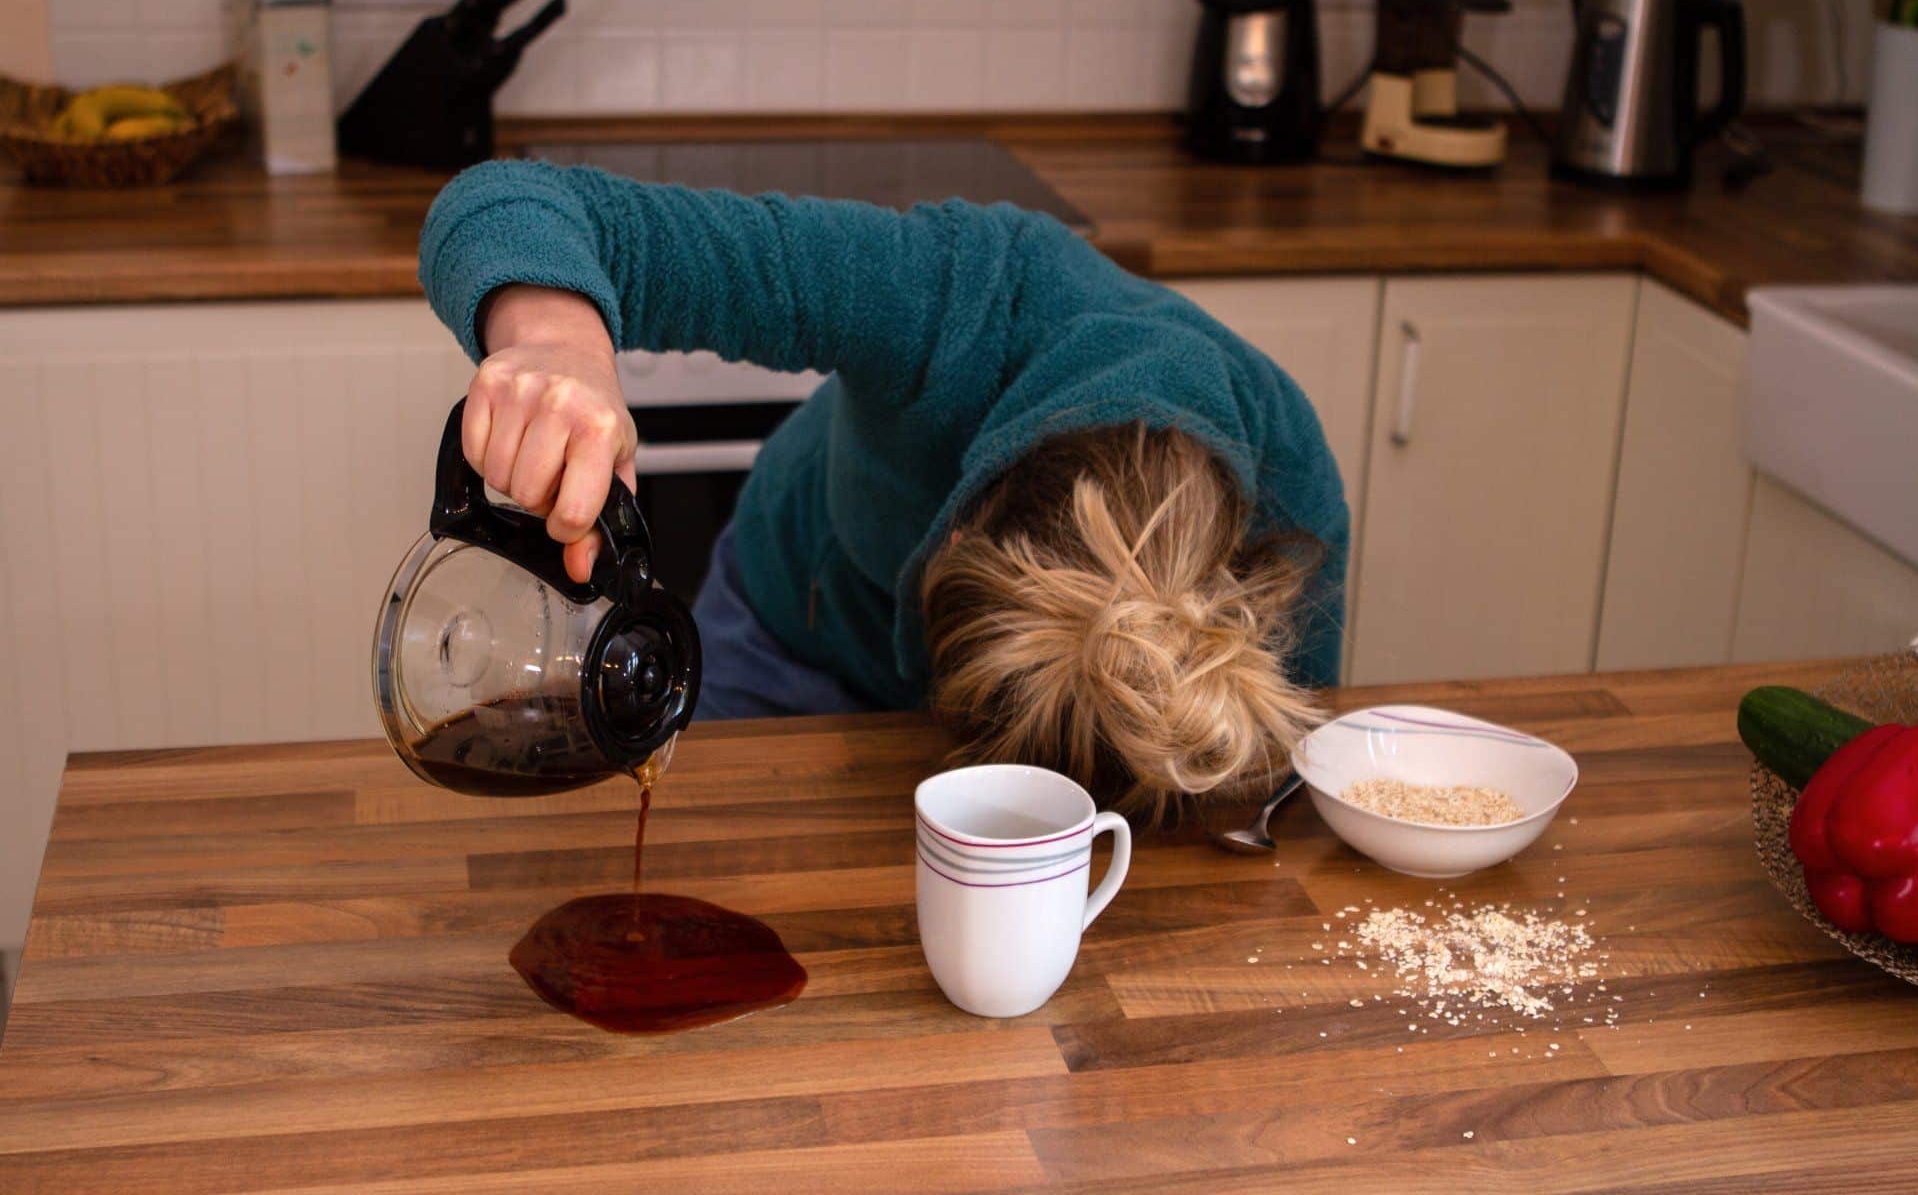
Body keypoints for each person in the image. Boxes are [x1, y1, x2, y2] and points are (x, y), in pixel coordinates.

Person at [419, 161, 1347, 821]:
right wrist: (558, 344)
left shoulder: (1294, 512)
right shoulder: (950, 291)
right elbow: (508, 199)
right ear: (951, 530)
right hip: (794, 628)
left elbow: (1265, 807)